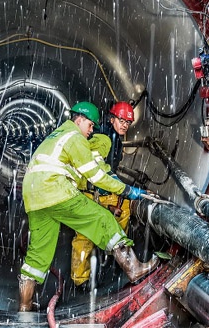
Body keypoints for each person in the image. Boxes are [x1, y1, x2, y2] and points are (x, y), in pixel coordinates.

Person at [19, 101, 159, 312]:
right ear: (80, 120)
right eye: (91, 125)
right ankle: (134, 268)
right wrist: (129, 191)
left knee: (37, 254)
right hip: (55, 189)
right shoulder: (75, 137)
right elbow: (96, 175)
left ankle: (24, 306)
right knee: (102, 219)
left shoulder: (55, 136)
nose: (92, 131)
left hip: (33, 195)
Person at [70, 101, 140, 286]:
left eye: (128, 122)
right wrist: (114, 187)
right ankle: (82, 279)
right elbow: (95, 165)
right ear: (112, 119)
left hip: (96, 189)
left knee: (122, 211)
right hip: (91, 190)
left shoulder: (113, 138)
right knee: (85, 234)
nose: (125, 125)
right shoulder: (105, 139)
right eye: (122, 120)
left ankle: (115, 256)